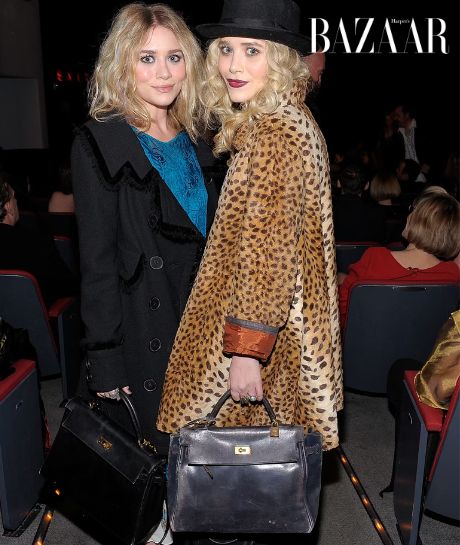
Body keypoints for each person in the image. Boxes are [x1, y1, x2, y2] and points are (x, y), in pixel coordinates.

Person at [158, 0, 343, 455]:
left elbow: (267, 253)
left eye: (252, 51)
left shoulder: (275, 135)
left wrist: (245, 351)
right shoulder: (290, 120)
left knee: (228, 460)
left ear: (280, 60)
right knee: (252, 463)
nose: (233, 66)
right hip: (287, 330)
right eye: (226, 49)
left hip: (261, 336)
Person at [72, 1, 217, 468]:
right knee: (154, 462)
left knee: (209, 461)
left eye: (174, 57)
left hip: (204, 322)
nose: (164, 73)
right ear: (123, 64)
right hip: (144, 327)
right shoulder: (101, 141)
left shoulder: (203, 136)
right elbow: (96, 263)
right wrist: (105, 358)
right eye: (147, 58)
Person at [338, 188, 460, 328]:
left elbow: (344, 313)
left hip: (369, 340)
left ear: (417, 221)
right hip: (427, 343)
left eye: (413, 210)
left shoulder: (375, 258)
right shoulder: (451, 274)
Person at [0, 173, 78, 307]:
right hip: (34, 318)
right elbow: (68, 288)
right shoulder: (36, 242)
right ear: (8, 207)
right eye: (14, 197)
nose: (16, 202)